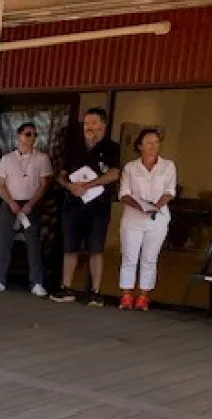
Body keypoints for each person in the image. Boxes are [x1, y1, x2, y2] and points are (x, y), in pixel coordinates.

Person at [53, 107, 121, 305]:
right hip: (73, 204)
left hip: (98, 206)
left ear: (103, 125)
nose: (88, 127)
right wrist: (69, 185)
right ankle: (66, 288)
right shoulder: (73, 146)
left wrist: (89, 185)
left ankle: (95, 291)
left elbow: (114, 173)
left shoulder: (112, 148)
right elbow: (61, 173)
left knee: (95, 248)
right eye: (86, 123)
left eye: (93, 123)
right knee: (70, 247)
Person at [0, 122, 53, 297]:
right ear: (19, 136)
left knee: (33, 243)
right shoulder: (7, 159)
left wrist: (31, 204)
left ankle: (36, 281)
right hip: (10, 203)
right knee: (4, 241)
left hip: (31, 204)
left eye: (34, 135)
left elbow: (44, 184)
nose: (31, 138)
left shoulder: (42, 158)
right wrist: (11, 202)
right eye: (28, 134)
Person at [117, 129, 177, 312]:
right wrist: (140, 206)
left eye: (156, 142)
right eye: (149, 142)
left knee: (150, 258)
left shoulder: (168, 166)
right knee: (129, 256)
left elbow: (170, 191)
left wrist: (156, 206)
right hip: (133, 218)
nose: (153, 146)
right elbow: (124, 193)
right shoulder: (130, 168)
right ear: (139, 146)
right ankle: (127, 294)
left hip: (157, 218)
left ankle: (143, 296)